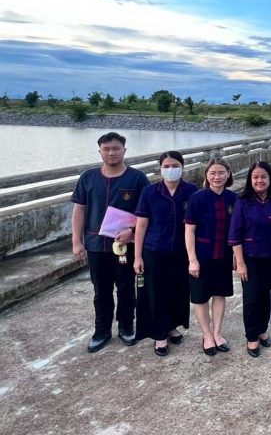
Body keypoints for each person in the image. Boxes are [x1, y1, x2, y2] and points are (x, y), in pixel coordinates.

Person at [71, 132, 149, 353]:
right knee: (101, 290)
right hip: (96, 244)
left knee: (126, 288)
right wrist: (77, 241)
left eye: (116, 148)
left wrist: (131, 232)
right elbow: (79, 209)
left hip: (126, 245)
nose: (111, 153)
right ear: (100, 152)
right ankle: (102, 330)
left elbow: (146, 212)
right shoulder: (88, 177)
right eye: (106, 149)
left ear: (124, 150)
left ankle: (126, 327)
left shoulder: (137, 178)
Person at [133, 151, 198, 356]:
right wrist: (137, 256)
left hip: (181, 251)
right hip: (154, 250)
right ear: (160, 168)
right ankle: (159, 334)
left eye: (175, 165)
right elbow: (141, 225)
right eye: (166, 166)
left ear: (183, 166)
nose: (171, 169)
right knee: (156, 292)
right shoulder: (149, 192)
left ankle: (171, 326)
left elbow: (197, 223)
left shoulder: (192, 191)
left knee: (178, 290)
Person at [228, 161, 271, 358]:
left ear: (270, 179)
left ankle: (262, 329)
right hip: (249, 258)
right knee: (251, 298)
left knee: (266, 295)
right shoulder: (242, 201)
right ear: (250, 180)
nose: (260, 180)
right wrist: (240, 263)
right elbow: (234, 234)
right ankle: (251, 336)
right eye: (256, 177)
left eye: (263, 177)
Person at [184, 158, 237, 357]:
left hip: (224, 255)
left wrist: (235, 255)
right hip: (202, 255)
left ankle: (217, 332)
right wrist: (192, 259)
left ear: (228, 174)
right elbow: (189, 230)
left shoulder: (233, 198)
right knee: (200, 297)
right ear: (206, 175)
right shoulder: (197, 198)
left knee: (220, 294)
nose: (217, 177)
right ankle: (206, 335)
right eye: (213, 173)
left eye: (221, 172)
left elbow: (237, 230)